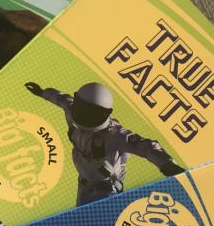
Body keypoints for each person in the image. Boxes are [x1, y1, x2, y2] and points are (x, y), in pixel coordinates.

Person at [25, 81, 183, 205]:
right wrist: (42, 92)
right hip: (84, 185)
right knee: (79, 222)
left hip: (105, 191)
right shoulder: (72, 111)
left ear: (104, 114)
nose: (85, 117)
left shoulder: (114, 134)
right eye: (83, 110)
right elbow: (61, 98)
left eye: (91, 113)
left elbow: (146, 147)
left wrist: (167, 165)